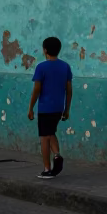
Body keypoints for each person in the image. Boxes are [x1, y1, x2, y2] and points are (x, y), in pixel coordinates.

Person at [28, 37, 72, 179]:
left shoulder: (41, 67)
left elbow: (37, 89)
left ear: (45, 50)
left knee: (44, 138)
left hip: (45, 107)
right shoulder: (65, 66)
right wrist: (67, 109)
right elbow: (69, 90)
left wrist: (31, 108)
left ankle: (47, 169)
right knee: (51, 132)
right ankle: (57, 155)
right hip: (58, 107)